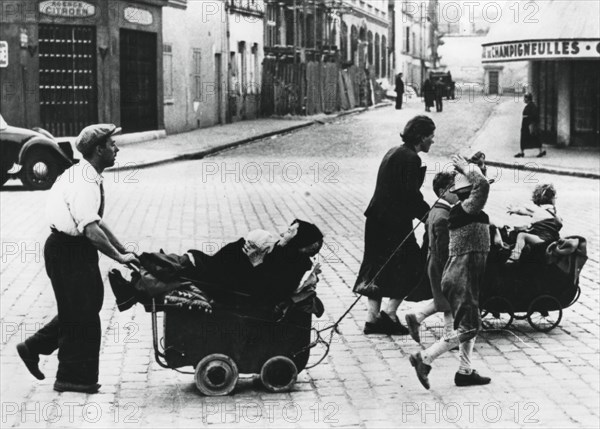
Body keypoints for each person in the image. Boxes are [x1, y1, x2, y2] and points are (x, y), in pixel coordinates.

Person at [16, 124, 138, 394]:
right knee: (81, 315)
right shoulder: (83, 182)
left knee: (87, 303)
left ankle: (34, 347)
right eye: (112, 144)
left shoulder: (88, 175)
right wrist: (117, 256)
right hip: (67, 250)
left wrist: (124, 251)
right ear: (98, 149)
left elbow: (97, 222)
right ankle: (73, 377)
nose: (116, 148)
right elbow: (92, 231)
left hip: (75, 249)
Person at [409, 155, 492, 389]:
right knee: (470, 328)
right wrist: (467, 168)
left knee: (468, 324)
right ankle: (425, 358)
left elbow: (481, 183)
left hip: (462, 275)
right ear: (471, 193)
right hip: (461, 277)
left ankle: (465, 371)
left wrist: (475, 166)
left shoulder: (464, 208)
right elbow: (482, 185)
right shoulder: (467, 209)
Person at [354, 116, 434, 335]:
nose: (432, 141)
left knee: (377, 268)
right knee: (414, 265)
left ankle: (372, 320)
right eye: (431, 136)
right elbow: (410, 196)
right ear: (421, 137)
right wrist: (430, 216)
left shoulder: (395, 151)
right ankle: (388, 315)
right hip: (393, 223)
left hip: (377, 220)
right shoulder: (410, 159)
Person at [405, 172, 458, 344]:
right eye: (454, 189)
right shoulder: (444, 216)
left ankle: (417, 317)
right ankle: (449, 335)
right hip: (442, 264)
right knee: (450, 299)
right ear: (443, 191)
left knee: (443, 299)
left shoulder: (435, 210)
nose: (458, 193)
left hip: (433, 262)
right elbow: (444, 247)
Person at [507, 183, 562, 261]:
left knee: (521, 235)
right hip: (554, 240)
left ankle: (515, 256)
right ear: (552, 199)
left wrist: (514, 210)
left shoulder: (537, 209)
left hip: (542, 240)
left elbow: (523, 211)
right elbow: (560, 224)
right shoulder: (555, 212)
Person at [515, 93, 545, 158]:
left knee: (535, 138)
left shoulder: (532, 106)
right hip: (525, 125)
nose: (524, 99)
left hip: (529, 125)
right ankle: (522, 152)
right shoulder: (529, 105)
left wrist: (532, 125)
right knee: (524, 138)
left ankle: (540, 151)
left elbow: (534, 116)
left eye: (524, 98)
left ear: (527, 99)